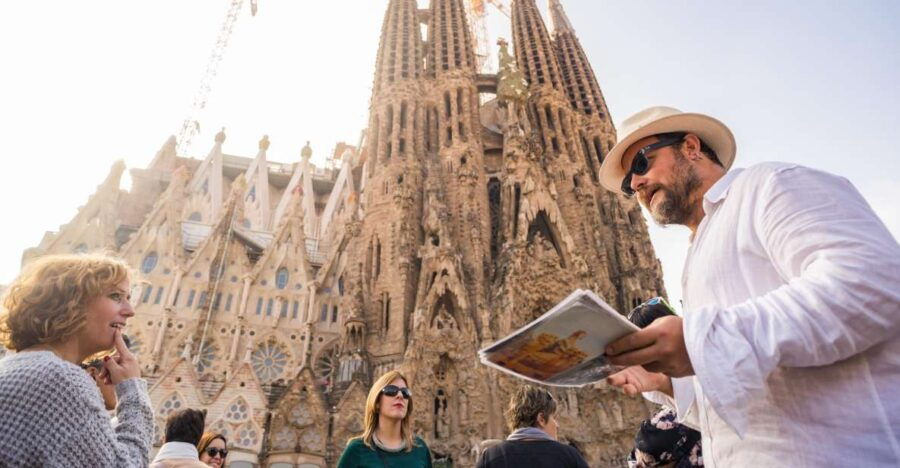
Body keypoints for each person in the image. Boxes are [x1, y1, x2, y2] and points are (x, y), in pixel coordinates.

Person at [597, 106, 900, 466]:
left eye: (642, 164)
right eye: (629, 183)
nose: (635, 183)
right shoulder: (699, 252)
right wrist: (666, 379)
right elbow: (747, 395)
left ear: (691, 146)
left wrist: (700, 342)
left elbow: (873, 282)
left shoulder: (770, 185)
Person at [0, 253, 154, 467]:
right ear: (74, 303)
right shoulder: (58, 379)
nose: (130, 311)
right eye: (116, 296)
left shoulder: (18, 365)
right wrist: (133, 390)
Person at [337, 370, 433, 467]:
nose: (400, 396)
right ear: (377, 402)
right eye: (391, 391)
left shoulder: (420, 449)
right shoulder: (356, 450)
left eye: (405, 392)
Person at [477, 385, 588, 468]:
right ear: (541, 419)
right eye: (553, 417)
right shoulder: (569, 456)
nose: (557, 425)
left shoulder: (491, 457)